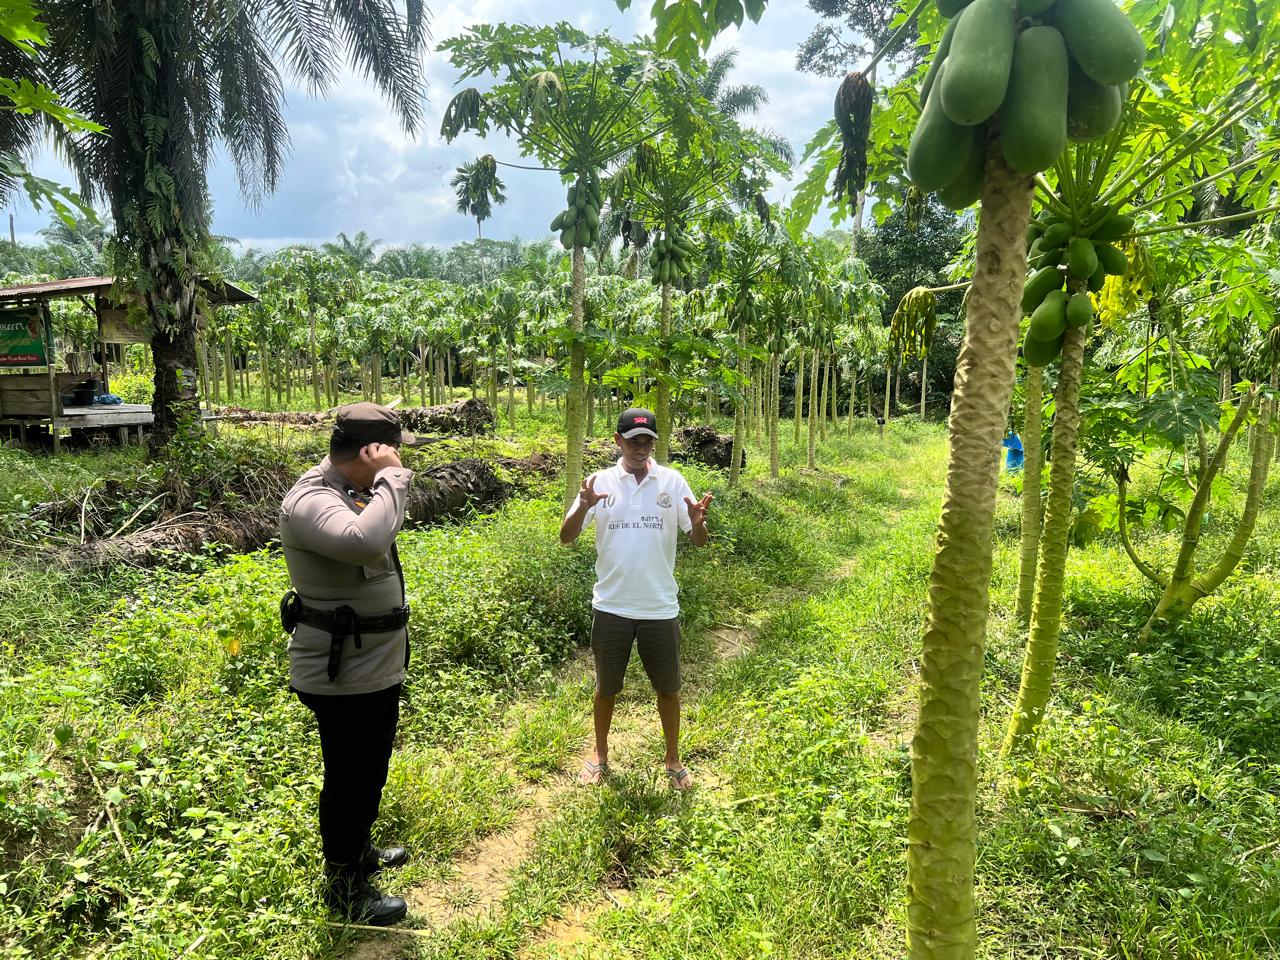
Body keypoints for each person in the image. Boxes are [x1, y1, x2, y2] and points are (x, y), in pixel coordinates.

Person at [279, 402, 416, 926]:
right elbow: (366, 542)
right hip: (341, 672)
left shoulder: (351, 491)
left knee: (369, 768)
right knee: (350, 774)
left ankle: (357, 851)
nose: (400, 463)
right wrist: (392, 478)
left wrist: (384, 484)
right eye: (392, 453)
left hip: (370, 663)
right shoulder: (311, 500)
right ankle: (344, 885)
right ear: (370, 452)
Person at [559, 407, 713, 791]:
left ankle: (673, 759)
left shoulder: (673, 482)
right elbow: (566, 536)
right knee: (606, 687)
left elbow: (698, 541)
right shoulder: (599, 482)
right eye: (633, 441)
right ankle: (599, 754)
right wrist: (584, 506)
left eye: (647, 441)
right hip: (611, 605)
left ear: (654, 444)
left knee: (669, 688)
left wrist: (696, 524)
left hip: (659, 606)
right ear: (618, 441)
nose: (640, 448)